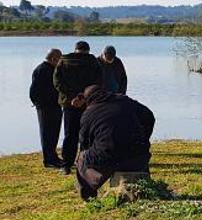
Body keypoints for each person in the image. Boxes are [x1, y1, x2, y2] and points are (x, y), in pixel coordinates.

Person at [75, 85, 155, 201]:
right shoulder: (125, 101)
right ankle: (143, 186)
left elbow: (84, 143)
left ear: (88, 100)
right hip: (137, 155)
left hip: (108, 156)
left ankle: (88, 196)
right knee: (138, 147)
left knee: (82, 158)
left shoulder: (89, 113)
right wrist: (144, 137)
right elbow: (149, 117)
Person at [53, 41, 103, 175]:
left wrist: (72, 97)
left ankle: (66, 165)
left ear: (75, 49)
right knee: (88, 134)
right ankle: (86, 163)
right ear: (87, 50)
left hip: (69, 104)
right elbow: (97, 82)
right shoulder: (93, 62)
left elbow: (57, 82)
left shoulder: (64, 61)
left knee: (70, 135)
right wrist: (82, 97)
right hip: (88, 103)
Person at [29, 48, 64, 168]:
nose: (61, 61)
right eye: (60, 58)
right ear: (53, 58)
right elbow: (33, 91)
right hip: (45, 108)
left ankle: (53, 157)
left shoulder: (55, 69)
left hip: (56, 106)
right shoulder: (41, 70)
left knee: (54, 132)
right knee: (47, 133)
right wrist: (39, 104)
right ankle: (48, 160)